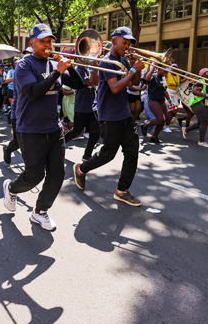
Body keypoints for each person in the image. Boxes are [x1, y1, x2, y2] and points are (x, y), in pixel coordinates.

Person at [2, 24, 84, 231]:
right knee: (34, 175)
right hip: (29, 129)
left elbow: (78, 85)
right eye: (42, 41)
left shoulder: (53, 64)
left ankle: (40, 211)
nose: (47, 45)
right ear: (32, 43)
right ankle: (11, 188)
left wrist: (70, 66)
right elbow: (34, 93)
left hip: (54, 129)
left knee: (57, 174)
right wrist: (57, 72)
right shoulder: (24, 65)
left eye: (50, 41)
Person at [73, 27, 144, 206]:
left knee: (132, 152)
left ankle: (122, 190)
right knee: (108, 154)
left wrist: (138, 68)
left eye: (128, 44)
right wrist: (133, 71)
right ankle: (81, 169)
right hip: (109, 116)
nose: (127, 46)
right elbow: (115, 88)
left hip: (125, 115)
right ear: (114, 42)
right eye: (124, 42)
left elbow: (133, 85)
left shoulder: (123, 61)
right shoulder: (106, 62)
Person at [65, 65, 100, 162]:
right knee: (76, 131)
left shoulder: (87, 70)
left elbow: (95, 83)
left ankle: (87, 156)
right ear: (77, 60)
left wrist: (95, 69)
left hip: (92, 107)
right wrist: (93, 68)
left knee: (96, 133)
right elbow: (90, 82)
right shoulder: (78, 71)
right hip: (82, 107)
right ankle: (57, 145)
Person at [141, 64, 169, 143]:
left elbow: (164, 90)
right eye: (164, 71)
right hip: (153, 100)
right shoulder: (153, 76)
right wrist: (153, 66)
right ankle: (145, 125)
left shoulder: (163, 78)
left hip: (162, 100)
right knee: (161, 119)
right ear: (159, 69)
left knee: (163, 120)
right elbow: (147, 78)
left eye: (166, 72)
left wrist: (169, 100)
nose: (165, 73)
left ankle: (154, 136)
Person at [182, 68, 208, 147]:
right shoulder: (201, 81)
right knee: (204, 122)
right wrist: (207, 95)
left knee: (202, 122)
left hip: (206, 104)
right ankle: (201, 141)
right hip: (198, 103)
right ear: (203, 74)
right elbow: (195, 91)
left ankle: (186, 129)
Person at [164, 61, 180, 132]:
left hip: (175, 95)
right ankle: (166, 126)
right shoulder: (167, 74)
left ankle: (164, 121)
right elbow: (163, 72)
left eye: (176, 68)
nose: (174, 69)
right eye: (173, 67)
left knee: (174, 113)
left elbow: (178, 83)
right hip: (168, 94)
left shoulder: (177, 76)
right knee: (171, 111)